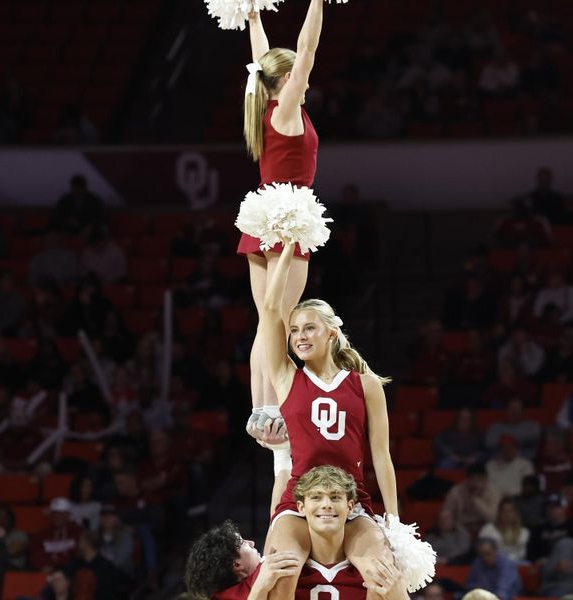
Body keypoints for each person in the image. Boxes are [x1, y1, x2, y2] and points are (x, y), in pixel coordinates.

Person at [255, 240, 399, 597]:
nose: (300, 337)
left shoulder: (365, 385)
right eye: (295, 331)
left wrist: (393, 519)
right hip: (299, 500)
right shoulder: (287, 378)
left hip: (351, 500)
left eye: (309, 328)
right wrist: (287, 248)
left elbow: (381, 455)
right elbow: (271, 309)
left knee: (382, 574)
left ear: (331, 333)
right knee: (282, 572)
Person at [239, 1, 326, 434]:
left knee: (266, 318)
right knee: (280, 317)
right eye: (301, 76)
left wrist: (254, 18)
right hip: (288, 219)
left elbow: (261, 62)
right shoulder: (288, 109)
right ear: (289, 79)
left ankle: (261, 406)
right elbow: (306, 48)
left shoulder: (264, 104)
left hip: (263, 216)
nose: (307, 81)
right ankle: (272, 408)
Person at [185, 466, 401, 600]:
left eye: (335, 497)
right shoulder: (270, 573)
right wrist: (260, 589)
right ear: (300, 508)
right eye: (316, 497)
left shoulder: (374, 564)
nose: (326, 505)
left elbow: (275, 512)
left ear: (351, 506)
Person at [443, 462, 500, 537]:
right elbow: (446, 515)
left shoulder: (493, 491)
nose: (475, 483)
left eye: (479, 479)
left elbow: (493, 518)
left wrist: (476, 499)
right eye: (471, 479)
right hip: (461, 530)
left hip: (486, 531)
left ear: (486, 479)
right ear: (466, 479)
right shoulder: (456, 492)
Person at [29, 497, 83, 570]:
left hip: (72, 571)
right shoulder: (41, 534)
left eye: (61, 514)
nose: (58, 517)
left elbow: (82, 553)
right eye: (55, 514)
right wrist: (44, 566)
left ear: (68, 514)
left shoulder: (77, 532)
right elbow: (35, 555)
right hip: (47, 570)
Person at [526, 494, 573, 563]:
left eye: (556, 507)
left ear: (564, 509)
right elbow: (530, 552)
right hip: (542, 566)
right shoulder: (538, 529)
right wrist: (538, 560)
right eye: (549, 506)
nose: (551, 510)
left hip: (565, 564)